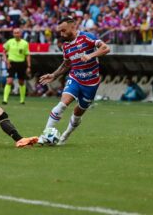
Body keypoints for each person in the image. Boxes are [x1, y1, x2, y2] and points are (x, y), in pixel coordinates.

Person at [38, 17, 110, 145]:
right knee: (62, 104)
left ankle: (66, 135)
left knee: (77, 114)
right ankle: (45, 135)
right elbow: (66, 64)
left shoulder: (86, 37)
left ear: (72, 27)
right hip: (75, 78)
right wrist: (54, 75)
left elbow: (106, 48)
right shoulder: (66, 46)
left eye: (63, 31)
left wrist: (90, 55)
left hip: (91, 83)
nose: (61, 34)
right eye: (60, 31)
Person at [2, 28, 31, 105]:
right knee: (9, 81)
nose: (16, 34)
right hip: (12, 63)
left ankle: (22, 100)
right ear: (13, 34)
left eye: (18, 33)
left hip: (21, 63)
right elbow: (4, 52)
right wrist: (6, 60)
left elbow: (27, 55)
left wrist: (28, 66)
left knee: (21, 82)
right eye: (15, 33)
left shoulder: (25, 43)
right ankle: (5, 100)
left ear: (20, 34)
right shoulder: (9, 42)